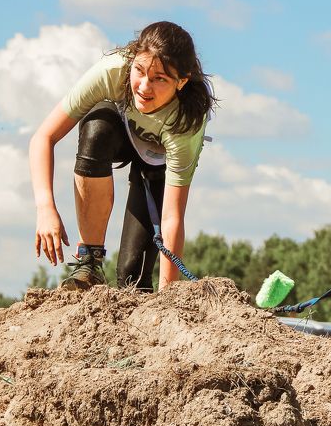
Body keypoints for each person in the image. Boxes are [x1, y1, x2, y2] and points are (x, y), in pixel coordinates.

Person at [29, 21, 215, 291]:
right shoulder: (113, 71)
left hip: (157, 163)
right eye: (139, 71)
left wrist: (168, 297)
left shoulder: (186, 122)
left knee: (133, 279)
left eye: (159, 79)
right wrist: (45, 208)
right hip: (117, 134)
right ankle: (89, 261)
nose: (144, 87)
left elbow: (172, 216)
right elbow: (43, 138)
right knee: (96, 128)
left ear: (181, 82)